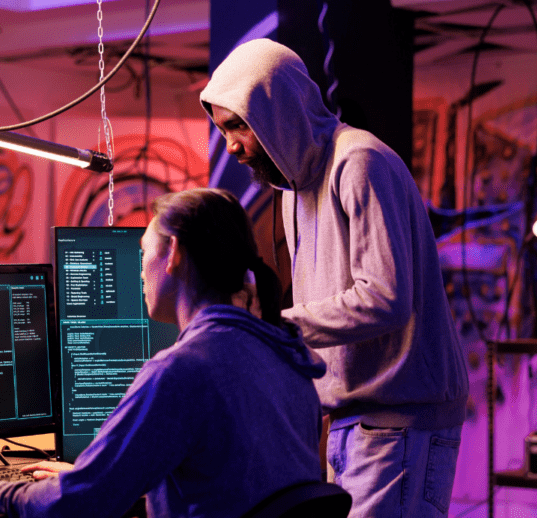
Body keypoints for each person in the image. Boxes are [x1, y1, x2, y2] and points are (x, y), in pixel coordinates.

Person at [0, 188, 327, 518]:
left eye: (143, 253)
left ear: (173, 252)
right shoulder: (286, 354)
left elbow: (80, 505)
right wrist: (98, 475)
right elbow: (233, 491)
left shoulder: (180, 371)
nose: (140, 272)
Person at [200, 38, 468, 517]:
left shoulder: (359, 161)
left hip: (398, 422)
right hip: (354, 422)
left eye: (238, 125)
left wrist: (269, 323)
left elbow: (384, 297)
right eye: (222, 131)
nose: (232, 146)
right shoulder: (291, 188)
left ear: (277, 109)